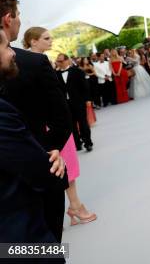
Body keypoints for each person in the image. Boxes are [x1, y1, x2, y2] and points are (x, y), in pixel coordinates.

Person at [0, 0, 72, 243]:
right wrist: (50, 152)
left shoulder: (31, 63)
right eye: (19, 15)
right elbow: (63, 117)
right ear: (9, 18)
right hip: (37, 177)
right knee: (45, 245)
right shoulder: (34, 63)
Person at [24, 29, 97, 226]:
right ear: (33, 41)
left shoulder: (41, 61)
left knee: (67, 166)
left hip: (57, 122)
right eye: (46, 38)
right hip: (51, 125)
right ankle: (75, 207)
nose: (51, 41)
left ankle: (75, 205)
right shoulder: (34, 62)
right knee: (62, 167)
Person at [55, 53, 93, 152]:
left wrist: (88, 99)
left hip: (78, 102)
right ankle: (77, 143)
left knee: (83, 123)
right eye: (58, 61)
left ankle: (88, 143)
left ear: (67, 60)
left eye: (61, 61)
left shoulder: (77, 71)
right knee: (71, 125)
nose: (59, 63)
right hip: (65, 105)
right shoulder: (55, 75)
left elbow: (85, 87)